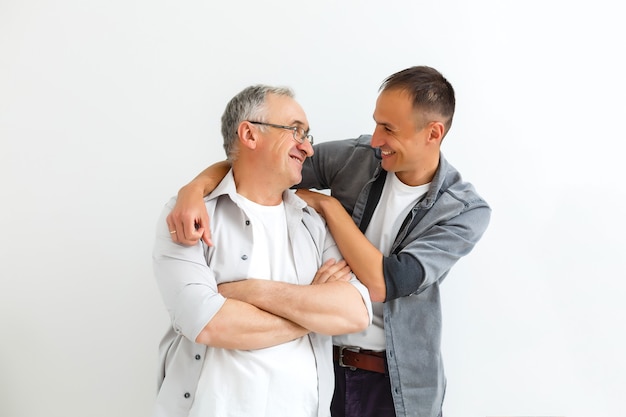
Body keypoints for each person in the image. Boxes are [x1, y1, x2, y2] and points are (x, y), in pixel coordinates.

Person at [166, 66, 492, 417]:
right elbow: (256, 164)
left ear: (433, 133)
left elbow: (385, 283)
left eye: (389, 129)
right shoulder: (357, 157)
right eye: (376, 122)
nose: (375, 139)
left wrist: (330, 207)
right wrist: (195, 189)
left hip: (398, 387)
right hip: (325, 368)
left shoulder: (463, 210)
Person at [152, 84, 373, 417]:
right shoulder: (189, 217)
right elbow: (210, 324)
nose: (308, 149)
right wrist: (313, 310)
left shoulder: (313, 223)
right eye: (296, 131)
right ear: (250, 135)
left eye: (308, 136)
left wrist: (250, 292)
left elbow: (354, 313)